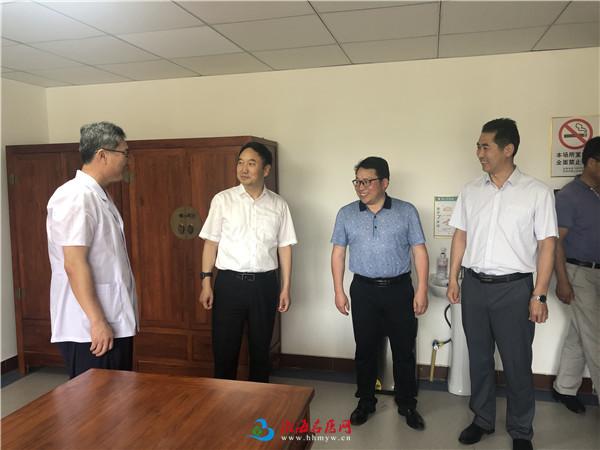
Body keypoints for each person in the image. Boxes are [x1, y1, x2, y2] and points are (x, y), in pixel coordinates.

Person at [446, 118, 558, 450]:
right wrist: (453, 278)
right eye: (478, 146)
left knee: (517, 363)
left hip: (515, 289)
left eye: (486, 146)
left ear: (508, 149)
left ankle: (521, 430)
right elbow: (460, 236)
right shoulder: (470, 191)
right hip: (474, 286)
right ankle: (482, 419)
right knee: (479, 359)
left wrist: (539, 294)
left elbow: (547, 245)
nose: (479, 153)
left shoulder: (536, 192)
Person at [331, 156, 429, 430]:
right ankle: (365, 401)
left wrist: (421, 289)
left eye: (367, 181)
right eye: (357, 182)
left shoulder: (406, 211)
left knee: (403, 349)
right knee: (365, 349)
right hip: (363, 290)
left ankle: (407, 403)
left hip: (399, 289)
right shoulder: (346, 214)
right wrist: (339, 290)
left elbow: (419, 251)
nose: (361, 187)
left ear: (385, 182)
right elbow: (338, 254)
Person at [198, 141, 296, 383]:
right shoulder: (223, 200)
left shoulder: (279, 205)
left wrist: (285, 288)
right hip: (229, 284)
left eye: (251, 163)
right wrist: (206, 282)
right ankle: (223, 402)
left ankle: (259, 401)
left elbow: (284, 246)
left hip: (264, 285)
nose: (243, 169)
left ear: (266, 170)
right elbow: (210, 243)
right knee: (224, 350)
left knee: (261, 352)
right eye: (240, 163)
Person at [46, 121, 137, 379]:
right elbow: (74, 263)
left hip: (111, 320)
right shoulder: (76, 197)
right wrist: (97, 321)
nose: (127, 160)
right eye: (124, 153)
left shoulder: (97, 195)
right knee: (94, 400)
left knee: (118, 397)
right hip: (89, 329)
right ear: (102, 155)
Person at [552, 136, 600, 413]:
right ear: (592, 162)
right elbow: (555, 242)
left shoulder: (597, 193)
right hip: (578, 273)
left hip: (596, 272)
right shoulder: (569, 196)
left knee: (581, 333)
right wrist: (563, 281)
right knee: (596, 339)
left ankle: (564, 387)